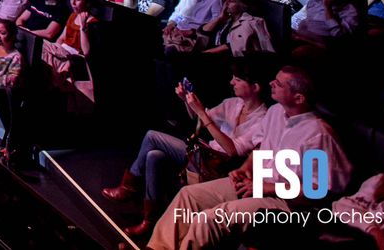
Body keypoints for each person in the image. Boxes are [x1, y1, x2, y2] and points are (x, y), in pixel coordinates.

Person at [147, 66, 351, 250]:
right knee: (188, 196)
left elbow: (316, 191)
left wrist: (264, 188)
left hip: (287, 203)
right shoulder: (276, 112)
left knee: (210, 218)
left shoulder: (317, 134)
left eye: (279, 84)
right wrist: (245, 169)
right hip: (257, 183)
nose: (272, 83)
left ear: (298, 98)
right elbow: (261, 148)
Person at [102, 57, 275, 234]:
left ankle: (128, 187)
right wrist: (187, 100)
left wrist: (200, 111)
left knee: (152, 136)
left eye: (238, 80)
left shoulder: (265, 118)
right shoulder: (233, 104)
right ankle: (149, 220)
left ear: (255, 87)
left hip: (220, 165)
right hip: (203, 154)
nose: (232, 82)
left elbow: (232, 150)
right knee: (154, 155)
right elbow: (199, 118)